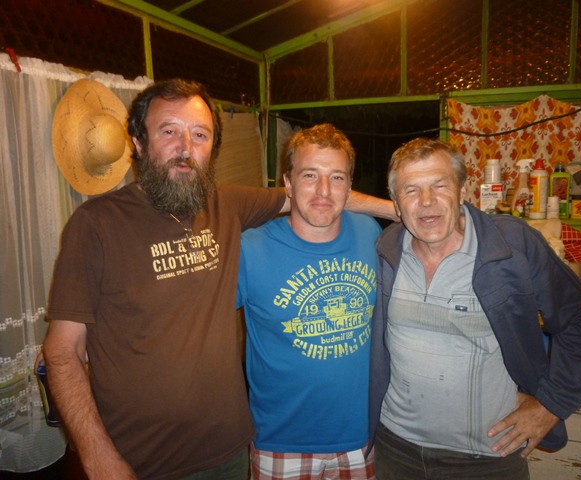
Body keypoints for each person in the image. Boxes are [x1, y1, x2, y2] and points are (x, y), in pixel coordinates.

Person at [42, 79, 394, 480]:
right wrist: (97, 457)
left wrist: (402, 210)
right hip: (139, 459)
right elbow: (62, 351)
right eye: (169, 131)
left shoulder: (226, 205)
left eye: (199, 135)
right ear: (138, 142)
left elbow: (320, 196)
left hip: (228, 451)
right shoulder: (96, 224)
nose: (185, 147)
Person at [368, 138, 581, 479]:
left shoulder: (510, 245)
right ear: (395, 201)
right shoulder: (385, 249)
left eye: (440, 185)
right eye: (411, 190)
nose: (427, 201)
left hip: (487, 456)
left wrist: (551, 405)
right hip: (395, 449)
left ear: (463, 190)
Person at [237, 124, 380, 480]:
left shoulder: (369, 234)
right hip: (280, 442)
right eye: (310, 175)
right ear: (287, 183)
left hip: (359, 438)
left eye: (337, 177)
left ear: (350, 185)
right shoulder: (250, 249)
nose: (323, 190)